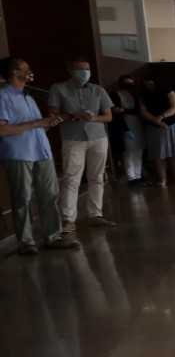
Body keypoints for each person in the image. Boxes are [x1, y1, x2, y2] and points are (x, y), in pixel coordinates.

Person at [0, 57, 76, 254]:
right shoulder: (3, 96)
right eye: (25, 68)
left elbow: (34, 125)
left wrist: (46, 124)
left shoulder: (28, 96)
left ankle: (53, 236)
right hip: (19, 154)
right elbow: (2, 129)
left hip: (42, 152)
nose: (29, 71)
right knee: (22, 198)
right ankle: (26, 242)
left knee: (50, 195)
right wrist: (36, 123)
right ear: (15, 72)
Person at [48, 57, 116, 232]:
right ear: (70, 71)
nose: (85, 72)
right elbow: (53, 115)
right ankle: (68, 219)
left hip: (98, 137)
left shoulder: (98, 90)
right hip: (73, 138)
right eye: (80, 69)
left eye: (87, 69)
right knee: (71, 178)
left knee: (97, 177)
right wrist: (74, 116)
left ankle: (96, 214)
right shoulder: (59, 89)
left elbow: (108, 116)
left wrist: (93, 118)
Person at [140, 74, 175, 187]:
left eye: (150, 82)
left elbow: (174, 106)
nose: (148, 85)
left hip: (172, 123)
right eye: (145, 83)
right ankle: (162, 179)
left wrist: (162, 116)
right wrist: (156, 121)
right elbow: (143, 111)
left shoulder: (167, 91)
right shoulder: (143, 95)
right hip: (153, 126)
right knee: (159, 154)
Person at [113, 75, 148, 186]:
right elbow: (116, 113)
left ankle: (138, 175)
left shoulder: (134, 96)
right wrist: (125, 128)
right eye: (127, 82)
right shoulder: (114, 95)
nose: (129, 85)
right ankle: (131, 177)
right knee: (129, 153)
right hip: (124, 125)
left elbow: (136, 111)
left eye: (131, 83)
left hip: (136, 124)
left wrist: (123, 110)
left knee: (138, 152)